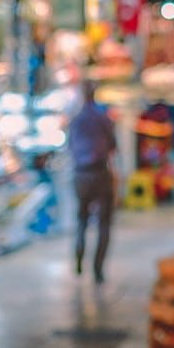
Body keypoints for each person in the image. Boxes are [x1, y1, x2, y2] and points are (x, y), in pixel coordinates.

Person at [67, 81, 116, 282]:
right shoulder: (102, 118)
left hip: (81, 175)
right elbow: (113, 144)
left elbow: (70, 146)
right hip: (100, 173)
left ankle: (79, 258)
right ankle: (98, 268)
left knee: (82, 220)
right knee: (104, 224)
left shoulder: (76, 120)